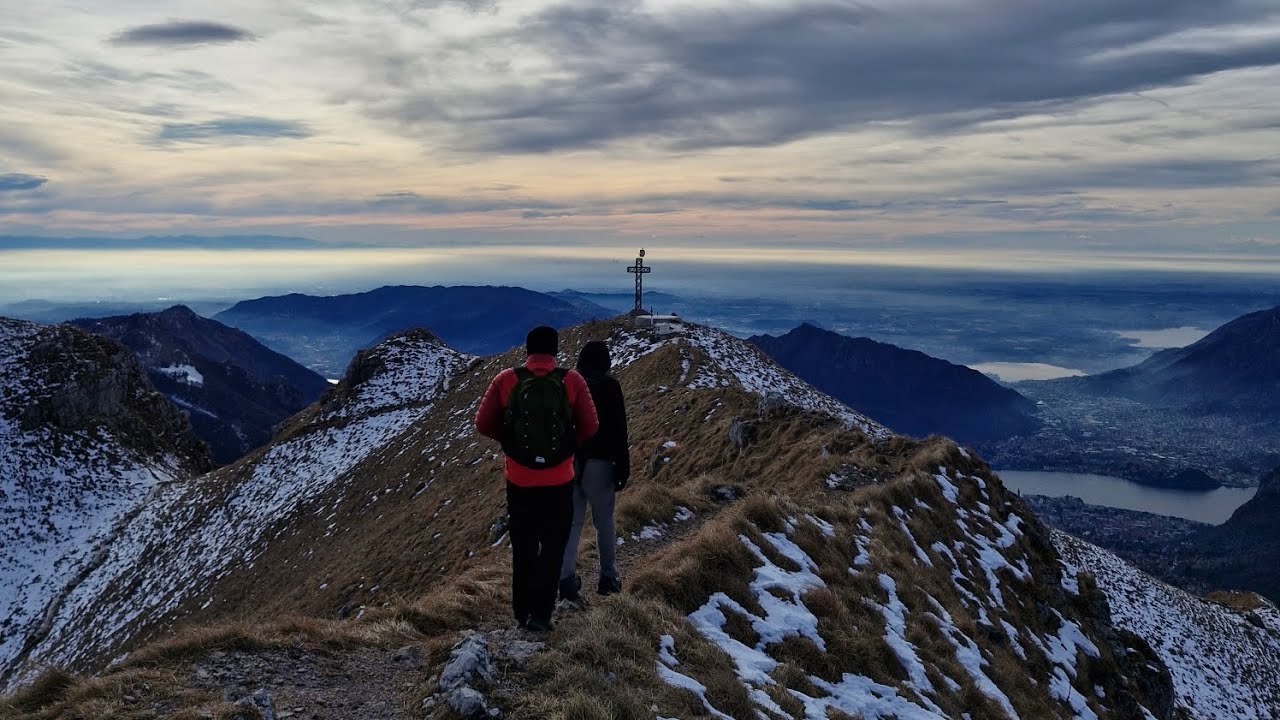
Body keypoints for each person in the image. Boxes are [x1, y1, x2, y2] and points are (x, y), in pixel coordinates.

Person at [475, 326, 598, 632]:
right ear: (555, 351)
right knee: (554, 546)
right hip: (559, 480)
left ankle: (521, 611)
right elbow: (591, 426)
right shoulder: (572, 380)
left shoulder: (506, 379)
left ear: (527, 351)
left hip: (520, 481)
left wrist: (511, 444)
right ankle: (541, 615)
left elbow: (482, 423)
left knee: (524, 546)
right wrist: (567, 448)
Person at [559, 340, 630, 602]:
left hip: (571, 463)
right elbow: (619, 430)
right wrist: (623, 467)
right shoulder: (610, 386)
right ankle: (608, 578)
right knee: (604, 522)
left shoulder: (570, 384)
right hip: (601, 463)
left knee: (573, 523)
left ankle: (565, 580)